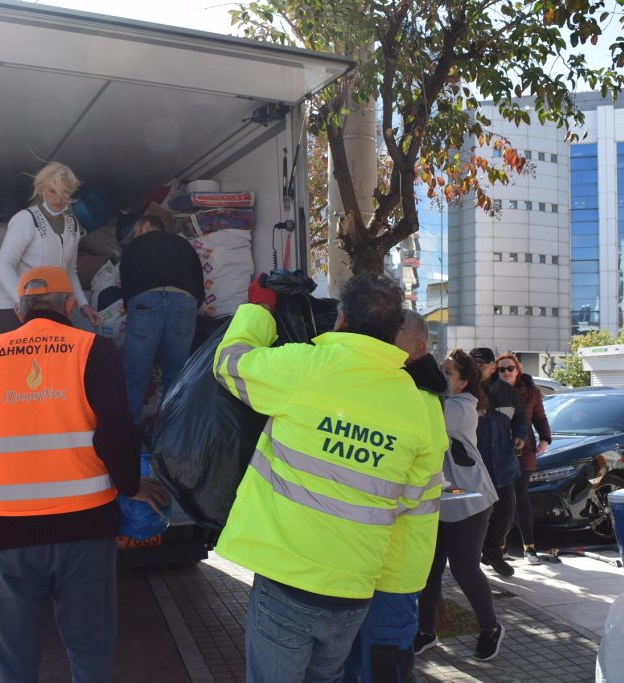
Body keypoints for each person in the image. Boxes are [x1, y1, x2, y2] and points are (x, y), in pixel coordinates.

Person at [0, 265, 167, 682]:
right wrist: (132, 485)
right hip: (84, 530)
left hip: (6, 533)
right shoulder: (94, 350)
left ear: (18, 308)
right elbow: (117, 433)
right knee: (89, 649)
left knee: (14, 662)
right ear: (70, 305)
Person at [213, 273, 445, 683]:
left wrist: (259, 310)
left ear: (340, 319)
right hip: (353, 592)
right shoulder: (416, 404)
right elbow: (411, 502)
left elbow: (229, 364)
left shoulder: (307, 366)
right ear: (394, 334)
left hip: (289, 582)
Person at [342, 310, 448, 682]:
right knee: (354, 665)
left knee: (383, 667)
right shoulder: (392, 388)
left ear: (418, 348)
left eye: (394, 335)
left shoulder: (421, 398)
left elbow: (406, 489)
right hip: (365, 562)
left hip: (394, 570)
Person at [414, 348, 505, 661]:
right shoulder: (441, 401)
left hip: (469, 500)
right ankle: (426, 632)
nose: (441, 375)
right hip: (440, 499)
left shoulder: (460, 408)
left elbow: (421, 419)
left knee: (465, 570)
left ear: (465, 383)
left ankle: (490, 628)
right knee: (429, 571)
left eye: (448, 372)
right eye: (440, 368)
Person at [0, 162, 103, 332]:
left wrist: (84, 305)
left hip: (51, 309)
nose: (58, 199)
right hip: (13, 308)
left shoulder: (72, 225)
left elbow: (70, 271)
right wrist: (24, 303)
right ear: (42, 188)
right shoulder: (27, 219)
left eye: (65, 192)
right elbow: (4, 266)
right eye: (53, 191)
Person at [118, 213, 204, 424]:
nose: (135, 236)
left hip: (145, 303)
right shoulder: (184, 245)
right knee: (175, 377)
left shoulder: (134, 248)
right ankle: (167, 443)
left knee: (135, 377)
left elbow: (126, 287)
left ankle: (132, 440)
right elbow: (199, 284)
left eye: (136, 231)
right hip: (184, 303)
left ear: (146, 225)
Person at [469, 347, 527, 577]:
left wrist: (520, 435)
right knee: (475, 513)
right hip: (473, 465)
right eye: (474, 365)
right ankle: (473, 557)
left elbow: (521, 417)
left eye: (483, 365)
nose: (478, 370)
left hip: (503, 462)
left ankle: (493, 551)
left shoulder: (507, 392)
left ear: (493, 367)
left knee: (506, 511)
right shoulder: (463, 390)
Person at [495, 352, 551, 565]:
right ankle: (499, 547)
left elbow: (540, 417)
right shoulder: (491, 391)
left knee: (520, 498)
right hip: (498, 451)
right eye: (502, 369)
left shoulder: (532, 392)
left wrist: (545, 438)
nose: (506, 372)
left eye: (510, 368)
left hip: (524, 450)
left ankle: (529, 548)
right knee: (503, 500)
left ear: (518, 370)